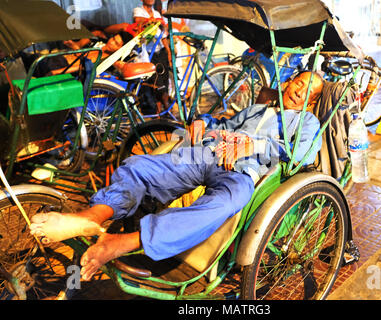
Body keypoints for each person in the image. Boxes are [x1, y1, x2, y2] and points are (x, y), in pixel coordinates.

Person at [29, 71, 324, 281]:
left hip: (245, 173)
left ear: (310, 99)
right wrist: (203, 124)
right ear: (287, 82)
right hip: (208, 154)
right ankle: (93, 216)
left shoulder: (307, 120)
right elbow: (225, 123)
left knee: (219, 207)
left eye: (307, 88)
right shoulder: (258, 109)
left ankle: (120, 244)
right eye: (298, 81)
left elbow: (303, 153)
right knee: (140, 166)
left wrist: (253, 144)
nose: (299, 88)